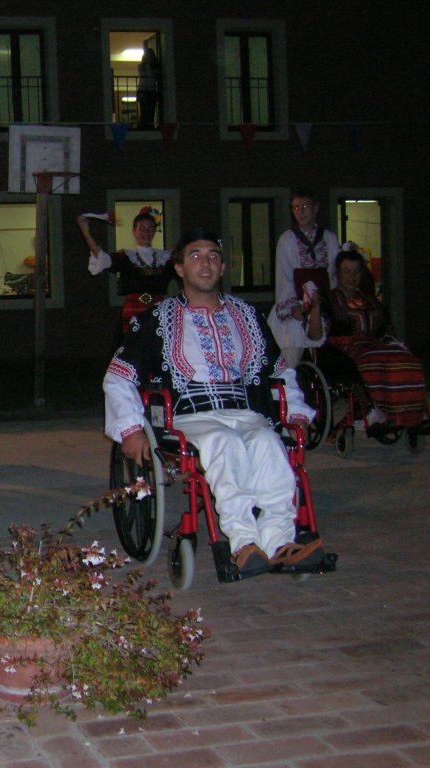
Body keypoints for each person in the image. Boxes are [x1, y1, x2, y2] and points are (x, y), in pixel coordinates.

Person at [103, 227, 324, 578]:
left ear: (222, 267)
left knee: (269, 444)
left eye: (213, 256)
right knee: (225, 443)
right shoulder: (156, 320)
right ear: (179, 269)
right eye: (195, 256)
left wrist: (295, 412)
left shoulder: (248, 315)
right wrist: (130, 429)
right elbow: (119, 376)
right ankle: (243, 544)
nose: (205, 263)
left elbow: (280, 371)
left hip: (246, 411)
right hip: (188, 418)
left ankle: (280, 541)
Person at [322, 246, 428, 430]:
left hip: (374, 345)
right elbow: (319, 333)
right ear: (337, 273)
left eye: (356, 272)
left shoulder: (370, 299)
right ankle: (373, 411)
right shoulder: (328, 299)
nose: (352, 277)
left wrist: (392, 342)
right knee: (373, 360)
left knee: (406, 359)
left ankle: (410, 415)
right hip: (342, 349)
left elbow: (386, 327)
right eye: (347, 272)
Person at [268, 188, 339, 367]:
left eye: (305, 206)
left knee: (326, 359)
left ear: (316, 208)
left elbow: (333, 275)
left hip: (321, 306)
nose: (301, 212)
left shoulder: (329, 239)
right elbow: (284, 277)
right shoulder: (287, 240)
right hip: (295, 308)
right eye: (296, 207)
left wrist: (326, 303)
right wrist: (293, 308)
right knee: (290, 360)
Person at [77, 207, 176, 332]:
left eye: (151, 228)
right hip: (132, 313)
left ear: (155, 231)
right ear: (134, 231)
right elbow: (101, 258)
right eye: (142, 228)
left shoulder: (166, 258)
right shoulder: (126, 257)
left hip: (159, 311)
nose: (147, 232)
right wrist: (86, 232)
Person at [136, 48, 160, 130]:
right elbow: (144, 75)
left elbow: (152, 75)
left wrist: (149, 68)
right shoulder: (141, 66)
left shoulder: (156, 67)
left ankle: (150, 126)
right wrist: (148, 68)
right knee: (144, 110)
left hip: (151, 91)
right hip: (143, 90)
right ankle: (143, 126)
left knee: (151, 110)